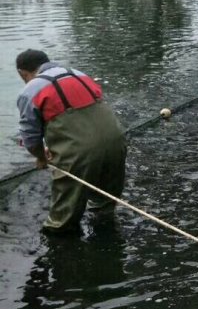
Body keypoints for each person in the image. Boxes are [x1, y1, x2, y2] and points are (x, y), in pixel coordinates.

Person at [16, 50, 127, 234]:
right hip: (116, 142)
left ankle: (63, 254)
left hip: (80, 153)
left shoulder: (31, 90)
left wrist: (41, 157)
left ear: (22, 73)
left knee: (61, 223)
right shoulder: (79, 74)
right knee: (103, 206)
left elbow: (30, 136)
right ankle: (107, 241)